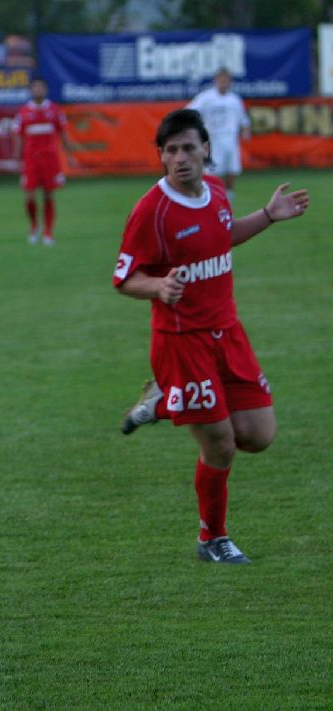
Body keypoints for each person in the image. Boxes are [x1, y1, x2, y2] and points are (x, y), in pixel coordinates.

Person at [114, 108, 309, 564]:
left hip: (228, 333)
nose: (181, 157)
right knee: (220, 442)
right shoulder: (152, 211)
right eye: (171, 150)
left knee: (258, 436)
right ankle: (212, 538)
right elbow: (123, 278)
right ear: (161, 157)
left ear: (206, 150)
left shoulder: (218, 192)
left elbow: (223, 235)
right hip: (182, 341)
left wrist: (267, 215)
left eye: (188, 147)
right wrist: (158, 286)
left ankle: (164, 402)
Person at [15, 76, 74, 246]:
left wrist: (70, 154)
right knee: (30, 196)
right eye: (35, 87)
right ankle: (34, 226)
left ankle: (48, 232)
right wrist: (17, 159)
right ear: (30, 90)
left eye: (41, 87)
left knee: (48, 194)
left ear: (46, 90)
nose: (38, 90)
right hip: (31, 160)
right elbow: (18, 136)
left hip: (50, 159)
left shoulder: (55, 110)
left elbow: (63, 133)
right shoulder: (24, 112)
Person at [188, 68, 251, 203]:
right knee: (213, 170)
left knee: (232, 169)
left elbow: (243, 118)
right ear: (216, 81)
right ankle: (210, 196)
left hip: (231, 138)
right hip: (213, 139)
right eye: (221, 79)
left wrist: (245, 129)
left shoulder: (234, 99)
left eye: (226, 80)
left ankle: (228, 197)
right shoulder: (206, 97)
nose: (224, 82)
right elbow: (190, 111)